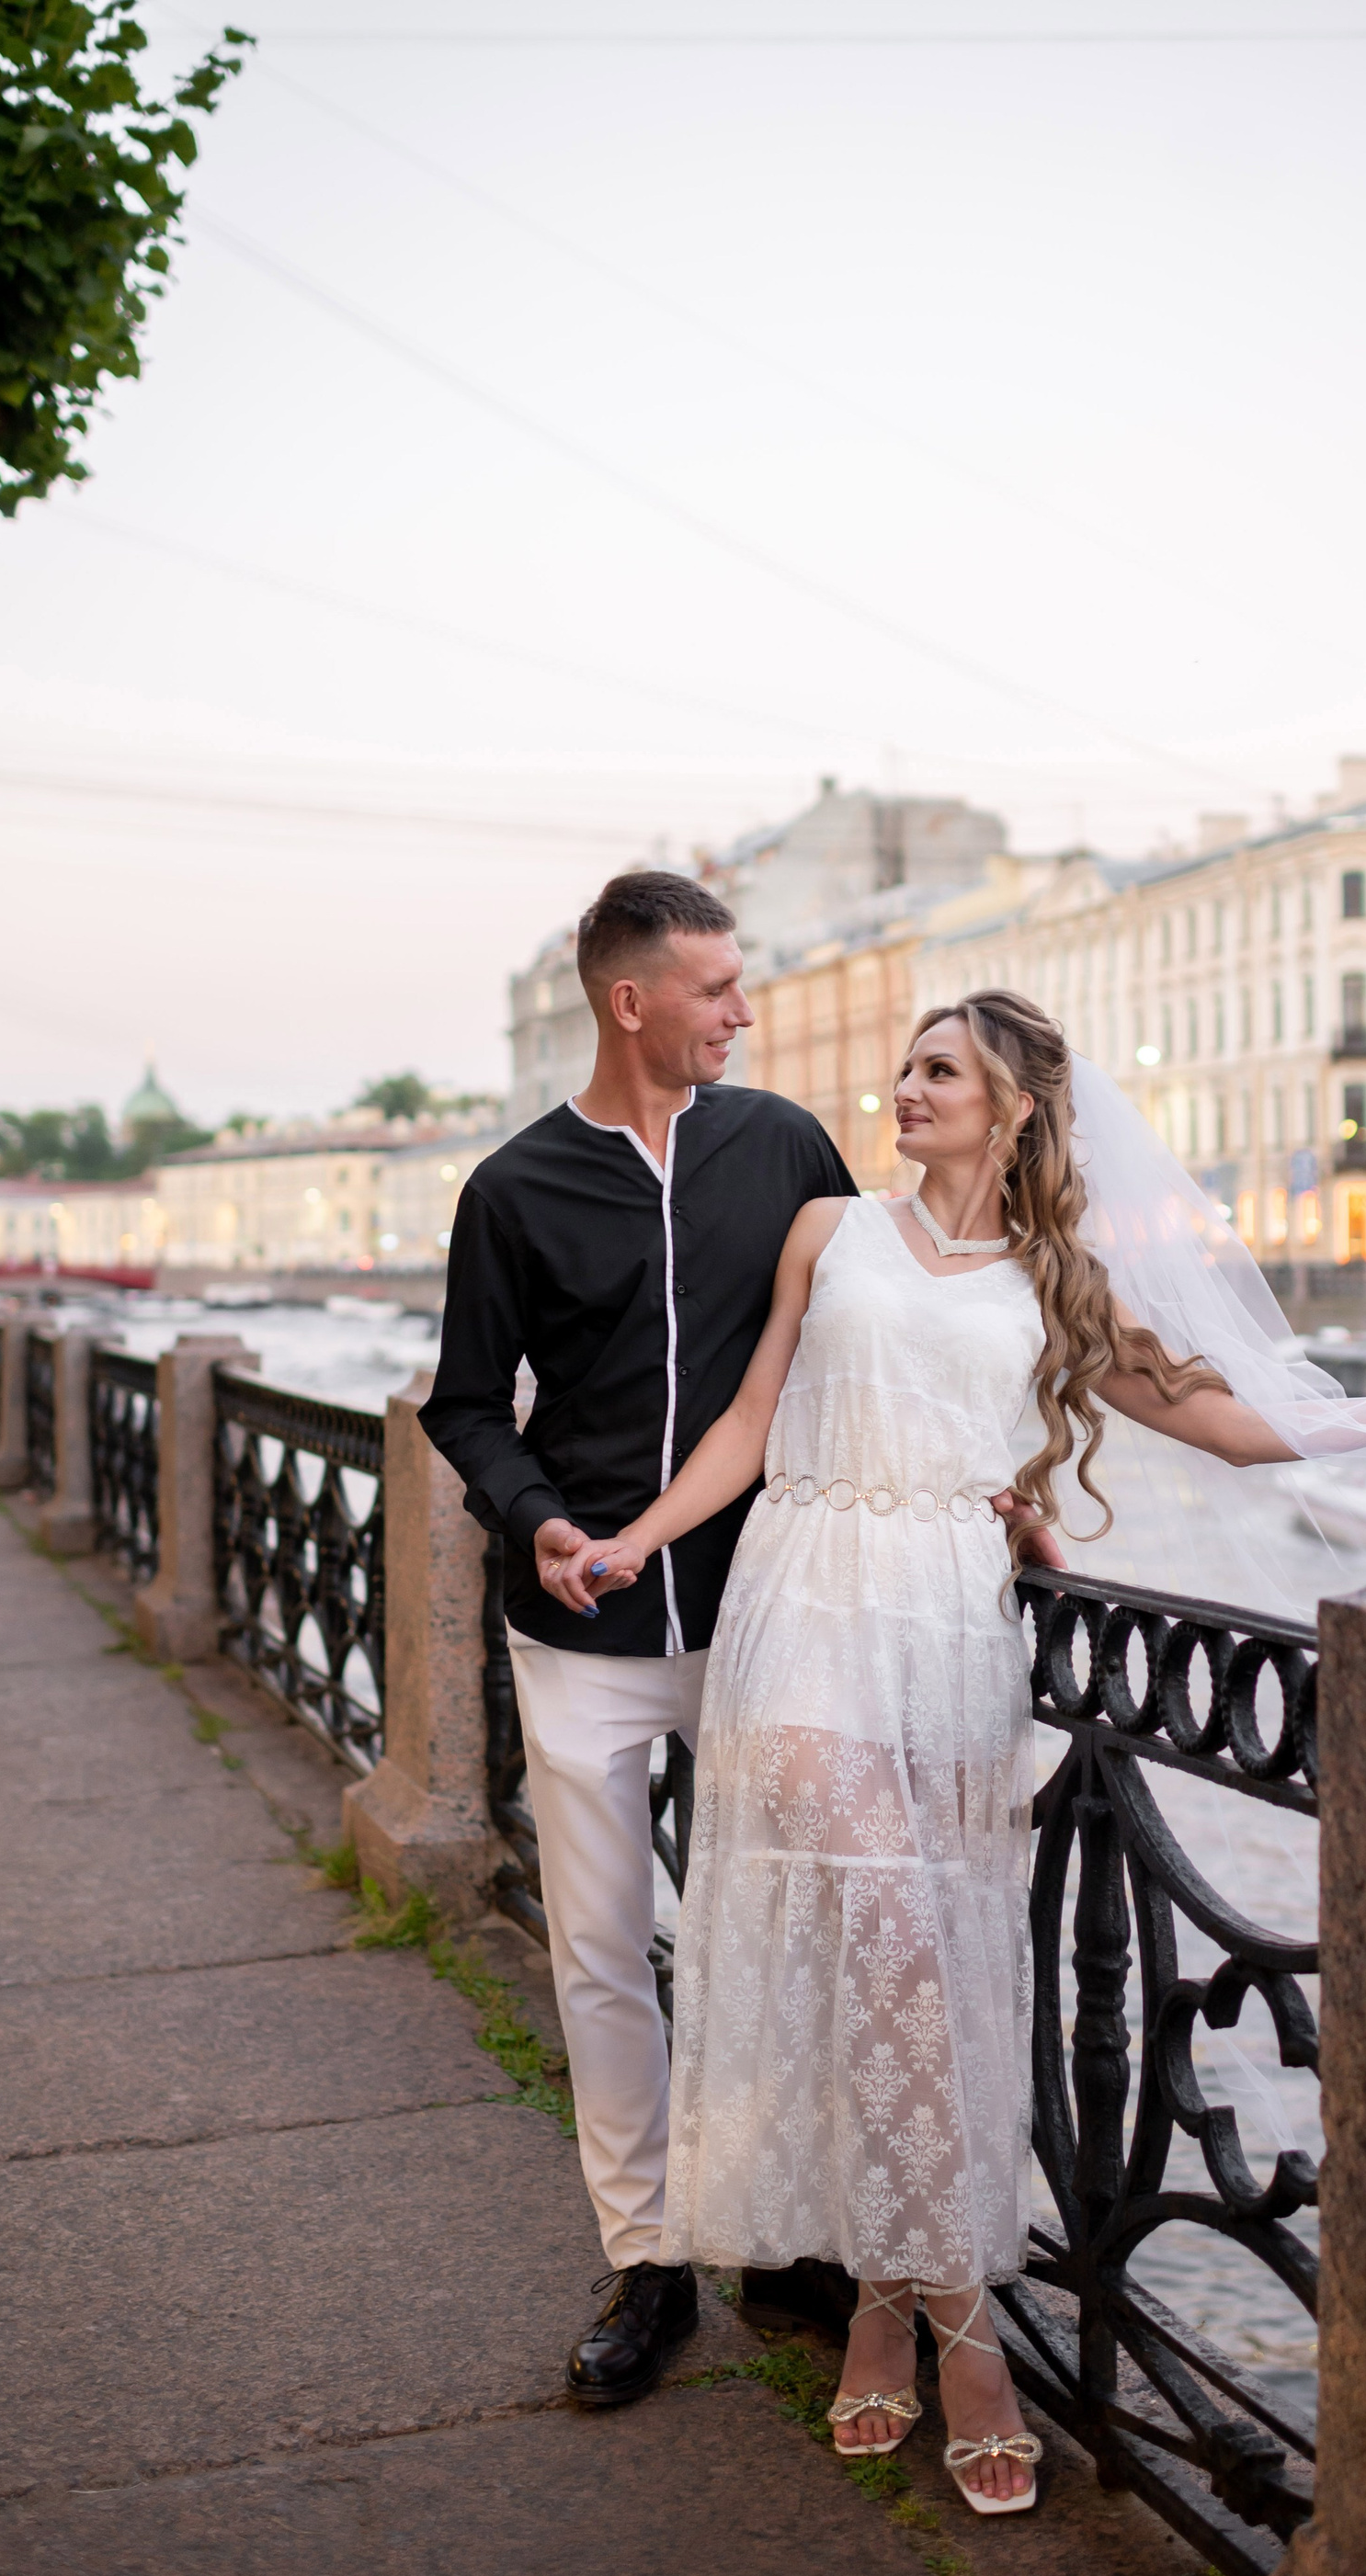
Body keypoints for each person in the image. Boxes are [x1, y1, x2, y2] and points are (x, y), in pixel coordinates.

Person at [549, 988, 1366, 2515]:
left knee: (913, 1977)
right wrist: (636, 1538)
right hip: (803, 1612)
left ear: (1015, 1109)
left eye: (940, 1070)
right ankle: (973, 2341)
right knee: (893, 1950)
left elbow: (1229, 1423)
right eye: (906, 1065)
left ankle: (883, 2301)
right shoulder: (827, 1232)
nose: (905, 1087)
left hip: (948, 1635)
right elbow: (748, 1418)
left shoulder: (1059, 1282)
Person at [418, 868, 855, 2408]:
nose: (744, 1012)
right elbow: (466, 1402)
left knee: (778, 1936)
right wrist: (536, 1513)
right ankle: (650, 2261)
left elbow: (874, 1334)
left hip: (762, 1615)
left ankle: (784, 2236)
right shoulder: (513, 1189)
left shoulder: (787, 1146)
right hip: (581, 1626)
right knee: (604, 1949)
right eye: (716, 988)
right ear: (631, 1000)